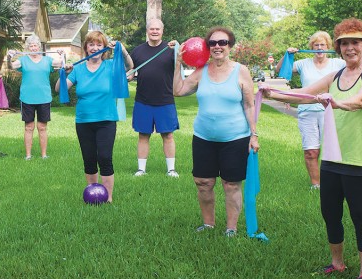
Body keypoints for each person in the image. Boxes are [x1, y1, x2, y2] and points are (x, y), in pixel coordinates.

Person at [262, 18, 362, 279]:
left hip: (360, 161)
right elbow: (303, 95)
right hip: (332, 159)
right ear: (338, 47)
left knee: (360, 217)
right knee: (330, 213)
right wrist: (271, 92)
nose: (350, 48)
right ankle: (337, 263)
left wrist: (338, 102)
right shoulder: (336, 76)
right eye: (345, 43)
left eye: (356, 42)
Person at [173, 27, 259, 237]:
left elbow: (249, 105)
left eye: (222, 42)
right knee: (203, 183)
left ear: (230, 45)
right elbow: (178, 90)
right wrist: (177, 64)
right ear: (207, 47)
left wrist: (254, 134)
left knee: (231, 184)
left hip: (235, 138)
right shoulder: (201, 70)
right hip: (204, 138)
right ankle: (208, 224)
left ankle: (231, 228)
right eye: (212, 43)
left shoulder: (241, 71)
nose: (218, 46)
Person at [55, 31, 133, 202]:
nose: (94, 48)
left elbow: (129, 66)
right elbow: (59, 89)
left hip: (106, 120)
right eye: (91, 44)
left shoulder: (111, 65)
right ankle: (93, 194)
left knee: (105, 158)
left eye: (99, 45)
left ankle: (108, 197)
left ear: (104, 48)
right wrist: (64, 73)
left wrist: (122, 49)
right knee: (89, 159)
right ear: (86, 47)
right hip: (84, 121)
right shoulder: (79, 68)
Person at [275, 32, 346, 189]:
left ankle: (334, 184)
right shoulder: (303, 64)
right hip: (307, 111)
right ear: (311, 47)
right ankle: (316, 185)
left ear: (328, 47)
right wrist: (287, 54)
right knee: (311, 151)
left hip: (330, 112)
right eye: (316, 45)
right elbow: (281, 69)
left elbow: (357, 67)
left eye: (323, 45)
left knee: (332, 151)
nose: (319, 48)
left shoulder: (338, 63)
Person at [129, 18, 179, 177]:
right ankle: (141, 169)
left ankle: (171, 169)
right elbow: (130, 72)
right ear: (147, 31)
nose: (155, 31)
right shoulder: (137, 51)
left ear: (162, 31)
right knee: (143, 135)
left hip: (165, 100)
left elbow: (182, 64)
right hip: (143, 100)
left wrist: (178, 47)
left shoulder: (171, 50)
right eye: (152, 29)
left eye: (158, 29)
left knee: (168, 135)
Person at [7, 35, 63, 160]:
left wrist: (62, 54)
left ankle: (44, 155)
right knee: (29, 127)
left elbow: (62, 64)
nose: (33, 48)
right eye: (30, 46)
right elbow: (11, 66)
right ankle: (28, 155)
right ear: (27, 48)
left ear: (39, 46)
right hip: (27, 98)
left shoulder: (47, 60)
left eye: (35, 45)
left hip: (44, 98)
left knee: (42, 127)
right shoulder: (23, 60)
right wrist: (9, 57)